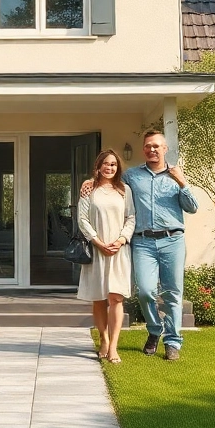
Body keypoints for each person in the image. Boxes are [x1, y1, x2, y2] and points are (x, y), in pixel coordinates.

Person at [81, 129, 196, 361]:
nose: (151, 149)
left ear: (165, 149)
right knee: (144, 292)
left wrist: (183, 183)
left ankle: (172, 342)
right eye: (148, 146)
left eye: (156, 146)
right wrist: (90, 180)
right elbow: (109, 181)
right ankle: (154, 330)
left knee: (173, 293)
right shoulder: (132, 177)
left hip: (172, 240)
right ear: (144, 149)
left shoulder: (175, 176)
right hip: (143, 242)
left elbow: (192, 207)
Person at [76, 149, 135, 364]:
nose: (109, 168)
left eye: (113, 165)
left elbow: (131, 217)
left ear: (117, 167)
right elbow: (82, 220)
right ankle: (103, 339)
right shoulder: (89, 189)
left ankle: (114, 347)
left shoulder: (124, 190)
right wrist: (98, 243)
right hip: (97, 249)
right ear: (98, 166)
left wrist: (120, 240)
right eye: (106, 164)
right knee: (100, 297)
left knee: (116, 297)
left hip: (119, 250)